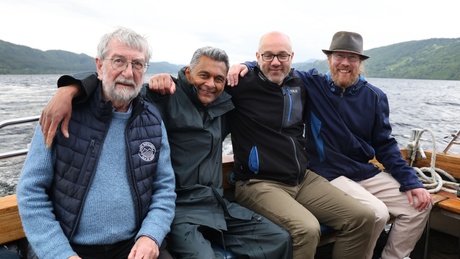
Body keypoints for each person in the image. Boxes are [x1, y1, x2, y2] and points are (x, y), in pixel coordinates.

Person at [38, 46, 293, 258]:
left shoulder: (225, 105)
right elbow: (119, 88)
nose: (210, 84)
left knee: (278, 240)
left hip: (215, 202)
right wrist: (70, 88)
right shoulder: (162, 97)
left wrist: (246, 64)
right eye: (203, 75)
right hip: (177, 207)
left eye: (218, 79)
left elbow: (268, 76)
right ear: (187, 73)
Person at [228, 31, 434, 259]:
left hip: (355, 172)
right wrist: (241, 65)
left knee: (417, 205)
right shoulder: (312, 84)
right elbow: (271, 67)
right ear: (329, 59)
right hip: (324, 173)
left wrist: (410, 181)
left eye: (352, 58)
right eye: (339, 56)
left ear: (360, 62)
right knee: (375, 213)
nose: (345, 63)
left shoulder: (374, 97)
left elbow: (384, 145)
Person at [16, 27, 176, 259]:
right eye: (118, 61)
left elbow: (164, 189)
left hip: (131, 245)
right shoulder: (64, 113)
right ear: (100, 67)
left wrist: (150, 235)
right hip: (68, 246)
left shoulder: (152, 121)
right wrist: (59, 253)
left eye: (138, 64)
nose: (128, 73)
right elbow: (31, 192)